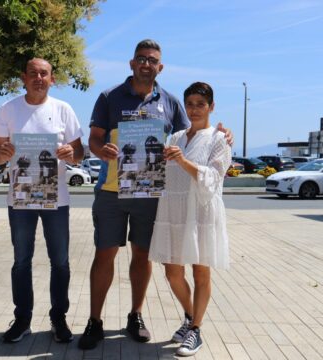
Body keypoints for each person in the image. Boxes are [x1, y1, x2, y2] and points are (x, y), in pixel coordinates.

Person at [79, 39, 232, 350]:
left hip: (149, 194)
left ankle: (135, 315)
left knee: (142, 256)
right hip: (111, 190)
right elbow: (93, 140)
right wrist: (101, 150)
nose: (146, 64)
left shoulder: (171, 102)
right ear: (132, 63)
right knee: (105, 253)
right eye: (141, 59)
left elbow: (191, 138)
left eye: (152, 60)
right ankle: (94, 320)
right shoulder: (109, 96)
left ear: (160, 67)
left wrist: (223, 133)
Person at [0, 58, 84, 344]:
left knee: (61, 262)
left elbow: (79, 153)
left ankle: (59, 318)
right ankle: (22, 319)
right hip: (20, 199)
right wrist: (2, 154)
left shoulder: (63, 109)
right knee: (21, 261)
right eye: (33, 74)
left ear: (52, 79)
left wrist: (71, 153)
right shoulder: (8, 109)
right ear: (24, 77)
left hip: (57, 201)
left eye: (44, 74)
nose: (39, 78)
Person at [149, 82, 231, 356]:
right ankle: (189, 315)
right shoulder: (176, 137)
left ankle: (195, 330)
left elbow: (213, 178)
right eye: (190, 103)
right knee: (172, 271)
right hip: (173, 208)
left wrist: (182, 161)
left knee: (200, 271)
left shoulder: (219, 139)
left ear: (211, 107)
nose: (195, 109)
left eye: (201, 104)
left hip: (201, 211)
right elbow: (162, 172)